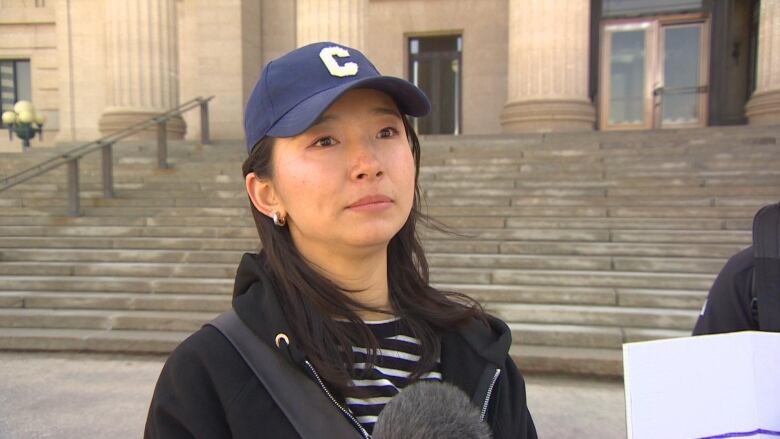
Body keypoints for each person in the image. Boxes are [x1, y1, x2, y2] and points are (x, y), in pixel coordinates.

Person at [144, 42, 537, 439]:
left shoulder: (481, 356)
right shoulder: (208, 376)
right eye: (325, 140)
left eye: (386, 131)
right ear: (266, 193)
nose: (369, 164)